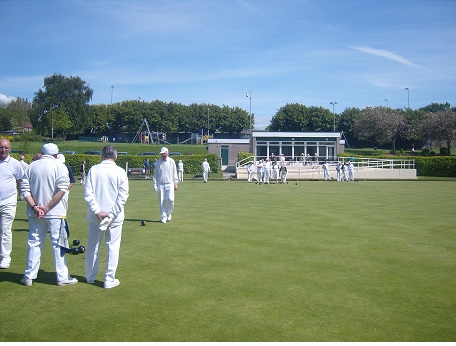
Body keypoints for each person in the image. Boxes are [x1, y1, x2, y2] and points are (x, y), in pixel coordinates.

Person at [20, 143, 77, 286]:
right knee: (58, 244)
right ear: (56, 154)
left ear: (42, 152)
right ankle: (62, 277)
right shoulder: (60, 166)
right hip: (55, 212)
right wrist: (46, 207)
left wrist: (35, 207)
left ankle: (29, 276)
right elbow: (62, 190)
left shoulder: (32, 166)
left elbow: (24, 189)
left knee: (34, 242)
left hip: (35, 212)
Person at [84, 145, 129, 289]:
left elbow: (88, 194)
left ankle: (90, 277)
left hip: (95, 216)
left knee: (93, 246)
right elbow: (123, 197)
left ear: (102, 155)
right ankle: (109, 279)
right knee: (113, 247)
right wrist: (111, 214)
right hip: (114, 218)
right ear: (115, 156)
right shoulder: (120, 171)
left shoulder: (93, 170)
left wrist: (98, 212)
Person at [0, 138, 24, 269]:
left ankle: (5, 257)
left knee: (5, 230)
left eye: (5, 147)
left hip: (8, 201)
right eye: (1, 147)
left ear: (9, 148)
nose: (3, 150)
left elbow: (20, 181)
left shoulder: (15, 164)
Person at [153, 147, 178, 224]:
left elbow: (174, 173)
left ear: (167, 153)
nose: (163, 155)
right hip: (161, 184)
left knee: (171, 200)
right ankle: (163, 216)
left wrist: (175, 183)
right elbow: (155, 174)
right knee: (162, 201)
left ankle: (168, 212)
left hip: (170, 183)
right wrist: (154, 184)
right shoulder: (158, 163)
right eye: (162, 154)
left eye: (164, 153)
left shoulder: (171, 161)